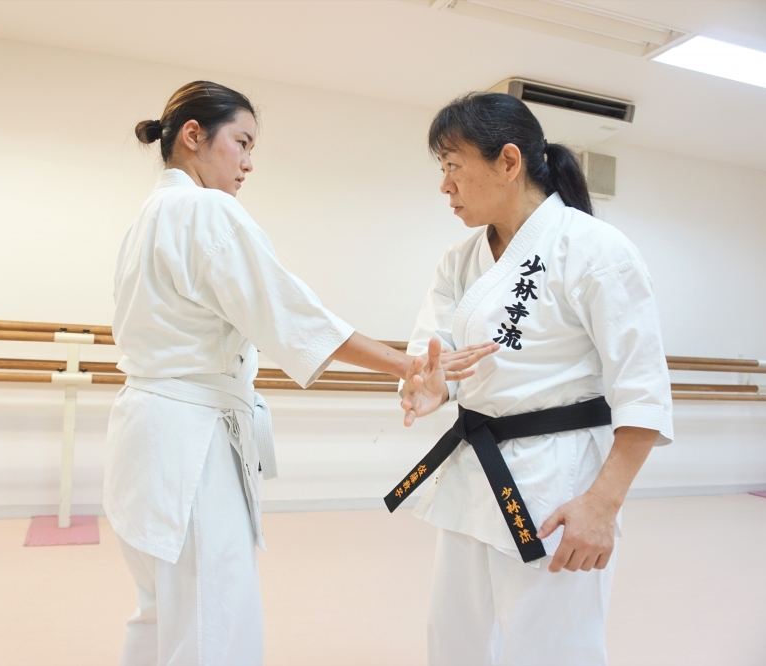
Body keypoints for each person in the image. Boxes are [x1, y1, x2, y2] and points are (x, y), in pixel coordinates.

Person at [105, 80, 494, 666]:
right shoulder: (204, 209)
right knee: (213, 620)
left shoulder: (148, 217)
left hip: (145, 436)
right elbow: (288, 311)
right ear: (193, 136)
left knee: (161, 613)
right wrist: (405, 363)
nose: (249, 163)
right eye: (241, 143)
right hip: (188, 445)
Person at [397, 92, 674, 666]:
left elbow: (643, 393)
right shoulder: (459, 258)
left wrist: (602, 505)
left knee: (552, 647)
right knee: (455, 640)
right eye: (441, 169)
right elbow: (436, 356)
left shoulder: (595, 249)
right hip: (475, 473)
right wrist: (429, 387)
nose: (444, 186)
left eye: (453, 166)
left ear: (508, 161)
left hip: (558, 482)